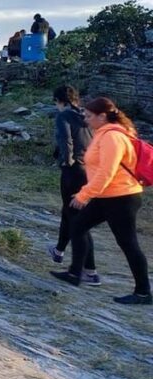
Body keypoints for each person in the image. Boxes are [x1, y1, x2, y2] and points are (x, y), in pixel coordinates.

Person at [50, 98, 150, 305]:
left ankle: (143, 293)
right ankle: (75, 273)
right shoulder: (103, 134)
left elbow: (107, 172)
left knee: (128, 243)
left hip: (121, 197)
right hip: (107, 195)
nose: (86, 120)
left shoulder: (112, 137)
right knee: (77, 225)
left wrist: (84, 194)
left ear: (102, 116)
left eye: (89, 116)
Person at [46, 86, 94, 278]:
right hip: (89, 170)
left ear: (59, 100)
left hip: (73, 171)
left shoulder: (64, 116)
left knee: (77, 218)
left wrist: (67, 162)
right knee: (69, 212)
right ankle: (58, 251)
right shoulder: (87, 117)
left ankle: (89, 270)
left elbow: (66, 141)